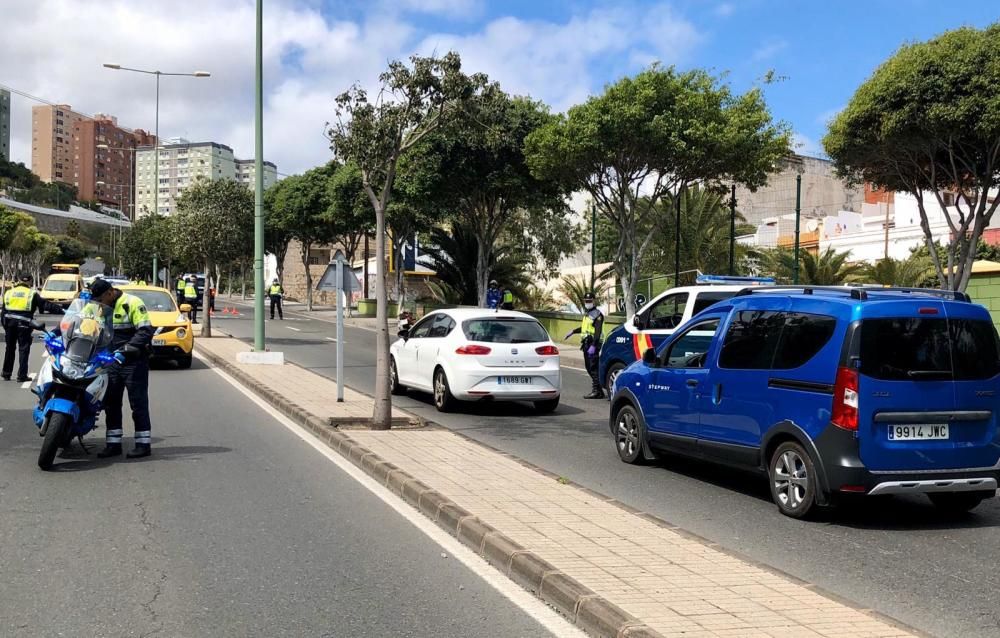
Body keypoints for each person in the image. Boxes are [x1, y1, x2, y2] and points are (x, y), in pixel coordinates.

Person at [88, 278, 155, 459]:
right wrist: (58, 333)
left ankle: (143, 444)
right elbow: (80, 323)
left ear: (110, 292)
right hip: (110, 362)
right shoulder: (97, 305)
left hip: (133, 361)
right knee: (111, 403)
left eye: (101, 300)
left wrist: (128, 349)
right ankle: (113, 444)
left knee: (138, 403)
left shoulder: (132, 303)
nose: (98, 304)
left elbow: (146, 331)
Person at [2, 273, 45, 382]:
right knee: (23, 349)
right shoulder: (32, 293)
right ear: (30, 281)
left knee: (10, 348)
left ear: (19, 280)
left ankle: (6, 373)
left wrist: (5, 326)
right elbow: (44, 305)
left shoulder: (9, 292)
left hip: (10, 324)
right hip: (24, 325)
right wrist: (62, 310)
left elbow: (4, 311)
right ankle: (22, 376)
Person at [565, 291, 605, 399]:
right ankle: (599, 390)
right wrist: (573, 331)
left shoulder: (597, 315)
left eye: (589, 301)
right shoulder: (587, 314)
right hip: (586, 344)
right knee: (589, 367)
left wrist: (594, 345)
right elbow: (584, 328)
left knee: (593, 368)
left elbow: (597, 331)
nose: (587, 302)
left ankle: (597, 390)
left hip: (593, 344)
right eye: (586, 301)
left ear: (594, 301)